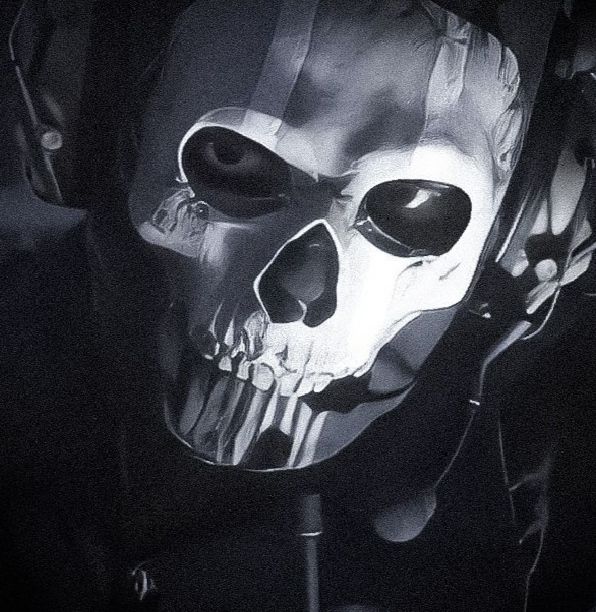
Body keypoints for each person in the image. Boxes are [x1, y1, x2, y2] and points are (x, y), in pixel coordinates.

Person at [1, 1, 595, 610]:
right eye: (234, 156)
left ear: (520, 218)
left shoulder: (537, 444)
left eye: (414, 201)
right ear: (119, 118)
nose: (297, 298)